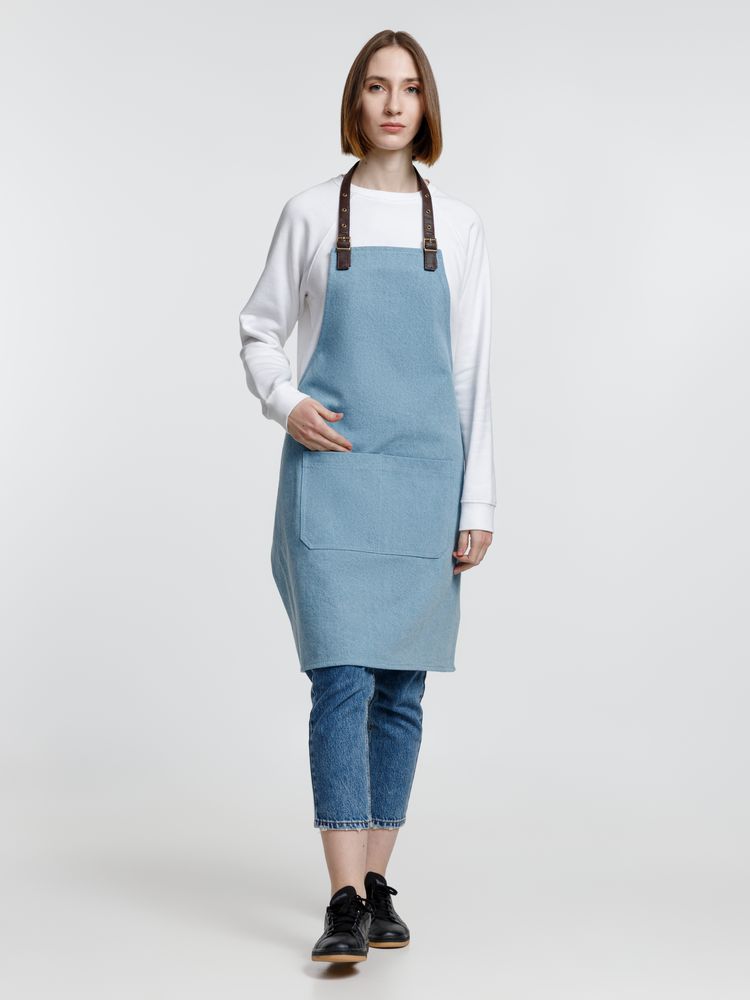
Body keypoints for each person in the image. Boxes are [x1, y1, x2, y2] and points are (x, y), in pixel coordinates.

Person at [238, 29, 496, 964]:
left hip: (424, 482)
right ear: (355, 101)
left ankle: (377, 884)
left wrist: (478, 503)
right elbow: (259, 331)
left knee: (400, 691)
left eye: (410, 88)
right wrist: (287, 402)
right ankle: (342, 898)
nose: (393, 104)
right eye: (378, 87)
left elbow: (470, 375)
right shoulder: (311, 213)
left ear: (427, 107)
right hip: (335, 477)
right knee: (341, 682)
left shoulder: (457, 226)